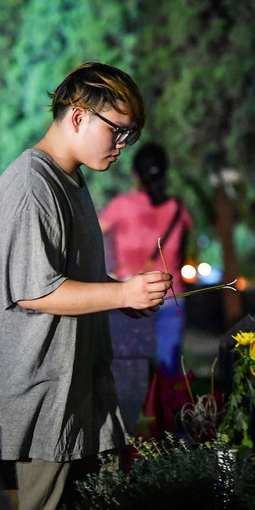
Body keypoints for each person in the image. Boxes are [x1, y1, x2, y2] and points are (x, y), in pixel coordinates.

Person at [0, 62, 172, 510]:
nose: (122, 145)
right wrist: (121, 294)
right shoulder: (31, 185)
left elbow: (64, 277)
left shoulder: (69, 179)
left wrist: (121, 294)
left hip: (70, 397)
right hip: (36, 407)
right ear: (78, 116)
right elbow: (35, 291)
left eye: (130, 135)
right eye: (117, 130)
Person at [99, 142, 193, 377]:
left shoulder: (121, 206)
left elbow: (90, 236)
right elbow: (184, 249)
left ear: (135, 173)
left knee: (128, 371)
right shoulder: (178, 209)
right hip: (171, 296)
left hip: (131, 298)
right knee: (169, 375)